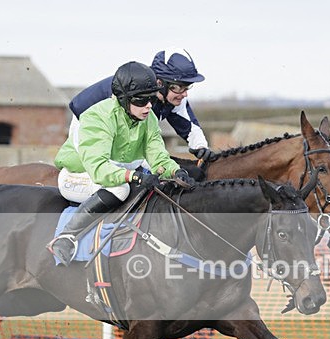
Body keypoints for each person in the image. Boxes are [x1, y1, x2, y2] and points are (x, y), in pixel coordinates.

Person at [48, 61, 193, 266]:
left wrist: (175, 171)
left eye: (151, 98)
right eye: (142, 101)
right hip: (79, 175)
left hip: (113, 172)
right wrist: (133, 176)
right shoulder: (98, 116)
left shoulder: (148, 118)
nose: (149, 106)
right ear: (124, 99)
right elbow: (98, 168)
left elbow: (158, 157)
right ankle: (66, 237)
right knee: (121, 189)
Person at [68, 48, 214, 162]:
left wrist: (200, 147)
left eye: (187, 87)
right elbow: (130, 144)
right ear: (160, 83)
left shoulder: (173, 96)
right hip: (87, 124)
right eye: (179, 87)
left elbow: (190, 126)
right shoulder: (133, 96)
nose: (184, 94)